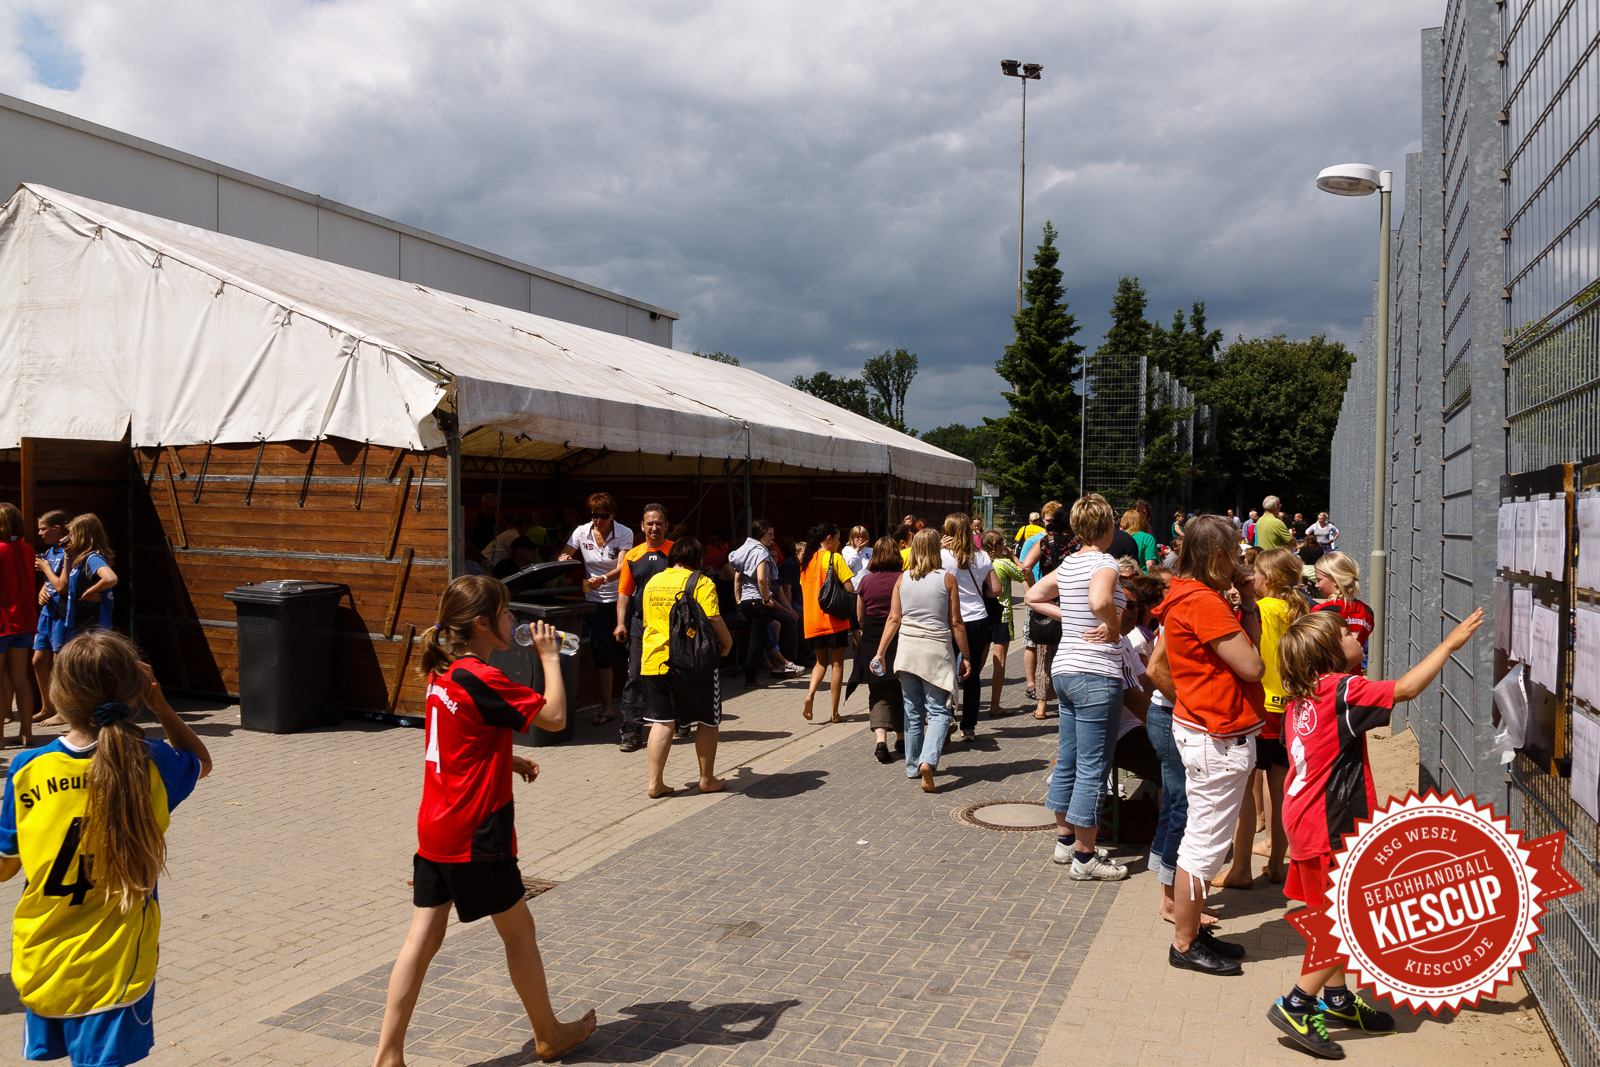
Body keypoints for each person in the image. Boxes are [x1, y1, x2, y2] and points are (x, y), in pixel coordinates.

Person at [375, 575, 595, 1065]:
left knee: (422, 938)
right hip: (477, 834)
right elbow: (557, 718)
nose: (514, 621)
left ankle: (387, 1056)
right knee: (519, 932)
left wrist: (504, 757)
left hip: (436, 825)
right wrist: (550, 657)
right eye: (505, 613)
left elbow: (456, 735)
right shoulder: (484, 676)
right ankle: (549, 1035)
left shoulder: (443, 672)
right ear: (480, 623)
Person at [1267, 607, 1484, 1058]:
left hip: (1302, 819)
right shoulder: (1343, 691)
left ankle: (1338, 999)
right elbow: (1404, 689)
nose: (1355, 634)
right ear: (1330, 652)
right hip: (1328, 825)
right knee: (1344, 923)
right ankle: (1296, 1004)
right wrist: (1448, 645)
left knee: (1328, 914)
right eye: (1346, 633)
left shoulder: (1302, 699)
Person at [0, 629, 211, 1067]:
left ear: (56, 691)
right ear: (138, 688)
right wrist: (162, 705)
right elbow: (201, 761)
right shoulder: (150, 762)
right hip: (116, 965)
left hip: (43, 954)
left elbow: (5, 866)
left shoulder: (26, 768)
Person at [1148, 513, 1264, 974]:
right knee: (1203, 846)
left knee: (1202, 838)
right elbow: (1253, 666)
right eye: (1234, 552)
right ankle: (1184, 943)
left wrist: (1248, 598)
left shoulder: (1188, 594)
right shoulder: (1205, 602)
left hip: (1206, 727)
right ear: (1217, 556)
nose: (1239, 560)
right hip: (1216, 732)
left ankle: (1192, 932)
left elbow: (1243, 653)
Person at [1024, 494, 1128, 881]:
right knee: (1092, 765)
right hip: (1095, 672)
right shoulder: (1104, 562)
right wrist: (1113, 626)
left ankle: (1065, 841)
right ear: (1106, 527)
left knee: (1068, 757)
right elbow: (1101, 599)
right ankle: (1085, 858)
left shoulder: (1069, 562)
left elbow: (1034, 595)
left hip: (1065, 670)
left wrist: (1070, 614)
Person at [1215, 548, 1304, 890]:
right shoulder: (1300, 609)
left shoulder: (1259, 610)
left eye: (1257, 574)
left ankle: (1240, 868)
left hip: (1258, 706)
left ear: (1268, 578)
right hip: (1290, 707)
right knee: (1280, 790)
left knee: (1244, 790)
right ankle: (1278, 863)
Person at [873, 529, 969, 792]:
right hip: (935, 653)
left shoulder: (903, 579)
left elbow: (893, 619)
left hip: (907, 653)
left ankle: (913, 766)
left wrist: (880, 652)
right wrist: (966, 655)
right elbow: (957, 622)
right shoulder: (947, 579)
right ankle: (928, 760)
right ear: (936, 550)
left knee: (913, 712)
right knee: (938, 711)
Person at [637, 538, 734, 798]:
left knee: (662, 722)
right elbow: (713, 617)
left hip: (653, 660)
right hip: (692, 662)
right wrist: (727, 643)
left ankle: (655, 783)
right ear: (698, 559)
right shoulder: (701, 582)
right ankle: (706, 779)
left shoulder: (653, 582)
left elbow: (647, 619)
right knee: (707, 719)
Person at [558, 492, 633, 725]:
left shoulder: (624, 533)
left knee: (632, 653)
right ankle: (608, 708)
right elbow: (565, 553)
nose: (598, 520)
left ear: (613, 514)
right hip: (595, 602)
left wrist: (604, 579)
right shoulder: (581, 531)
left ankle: (636, 706)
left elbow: (622, 568)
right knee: (602, 655)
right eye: (594, 515)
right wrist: (562, 559)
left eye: (603, 515)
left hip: (622, 598)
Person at [612, 505, 674, 745]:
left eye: (659, 523)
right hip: (641, 626)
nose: (654, 527)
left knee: (674, 675)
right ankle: (631, 732)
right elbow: (624, 592)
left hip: (672, 626)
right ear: (642, 526)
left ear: (667, 525)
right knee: (635, 678)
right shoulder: (632, 556)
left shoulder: (676, 552)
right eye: (650, 524)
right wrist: (620, 623)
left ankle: (679, 721)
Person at [941, 512, 999, 743]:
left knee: (947, 673)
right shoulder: (982, 556)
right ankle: (969, 727)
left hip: (949, 619)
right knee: (972, 674)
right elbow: (994, 589)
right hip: (977, 618)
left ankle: (946, 720)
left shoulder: (941, 556)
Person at [847, 535, 905, 763]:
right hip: (900, 638)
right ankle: (902, 738)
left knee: (878, 692)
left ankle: (881, 742)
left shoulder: (866, 581)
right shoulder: (904, 578)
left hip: (872, 639)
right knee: (902, 690)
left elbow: (860, 616)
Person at [798, 524, 855, 723]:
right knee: (837, 664)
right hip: (834, 620)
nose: (840, 543)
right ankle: (834, 713)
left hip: (812, 621)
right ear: (829, 539)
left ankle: (810, 694)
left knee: (820, 663)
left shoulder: (806, 561)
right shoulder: (834, 558)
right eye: (838, 539)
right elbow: (849, 587)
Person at [1023, 508, 1074, 720]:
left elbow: (1026, 567)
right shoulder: (1078, 543)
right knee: (1069, 653)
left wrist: (1036, 589)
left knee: (1044, 655)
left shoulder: (1045, 542)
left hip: (1048, 602)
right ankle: (1067, 702)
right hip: (1072, 601)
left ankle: (1041, 706)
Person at [1018, 500, 1065, 707]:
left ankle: (1044, 698)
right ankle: (1032, 685)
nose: (1050, 525)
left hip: (1058, 598)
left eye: (1054, 521)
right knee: (1034, 642)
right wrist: (1032, 589)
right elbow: (1024, 567)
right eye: (1047, 521)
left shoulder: (1066, 540)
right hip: (1041, 599)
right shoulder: (1035, 540)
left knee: (1053, 645)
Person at [0, 503, 36, 747]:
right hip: (24, 620)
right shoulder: (27, 549)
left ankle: (0, 739)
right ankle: (26, 733)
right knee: (20, 678)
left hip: (2, 621)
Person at [31, 511, 68, 727]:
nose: (39, 533)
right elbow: (49, 581)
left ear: (57, 529)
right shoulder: (50, 551)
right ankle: (47, 707)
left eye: (44, 529)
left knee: (58, 662)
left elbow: (62, 585)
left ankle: (63, 710)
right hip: (46, 613)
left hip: (61, 613)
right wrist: (41, 591)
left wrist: (45, 567)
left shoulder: (67, 552)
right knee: (37, 661)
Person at [985, 531, 1027, 718]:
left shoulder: (978, 562)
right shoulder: (1003, 563)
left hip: (981, 616)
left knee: (977, 660)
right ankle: (994, 705)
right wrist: (1013, 556)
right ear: (997, 546)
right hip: (1002, 615)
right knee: (999, 661)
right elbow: (1024, 572)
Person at [1311, 552, 1375, 653]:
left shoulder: (1322, 611)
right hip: (1355, 668)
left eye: (1319, 580)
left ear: (1336, 580)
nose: (1317, 585)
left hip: (1327, 668)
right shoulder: (1367, 612)